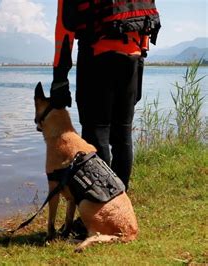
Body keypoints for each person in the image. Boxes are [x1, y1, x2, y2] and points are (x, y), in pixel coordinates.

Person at [49, 0, 161, 190]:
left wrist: (60, 78)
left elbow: (64, 29)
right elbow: (142, 18)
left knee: (96, 133)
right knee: (122, 134)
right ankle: (120, 199)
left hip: (97, 55)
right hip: (133, 57)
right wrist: (139, 61)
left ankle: (101, 205)